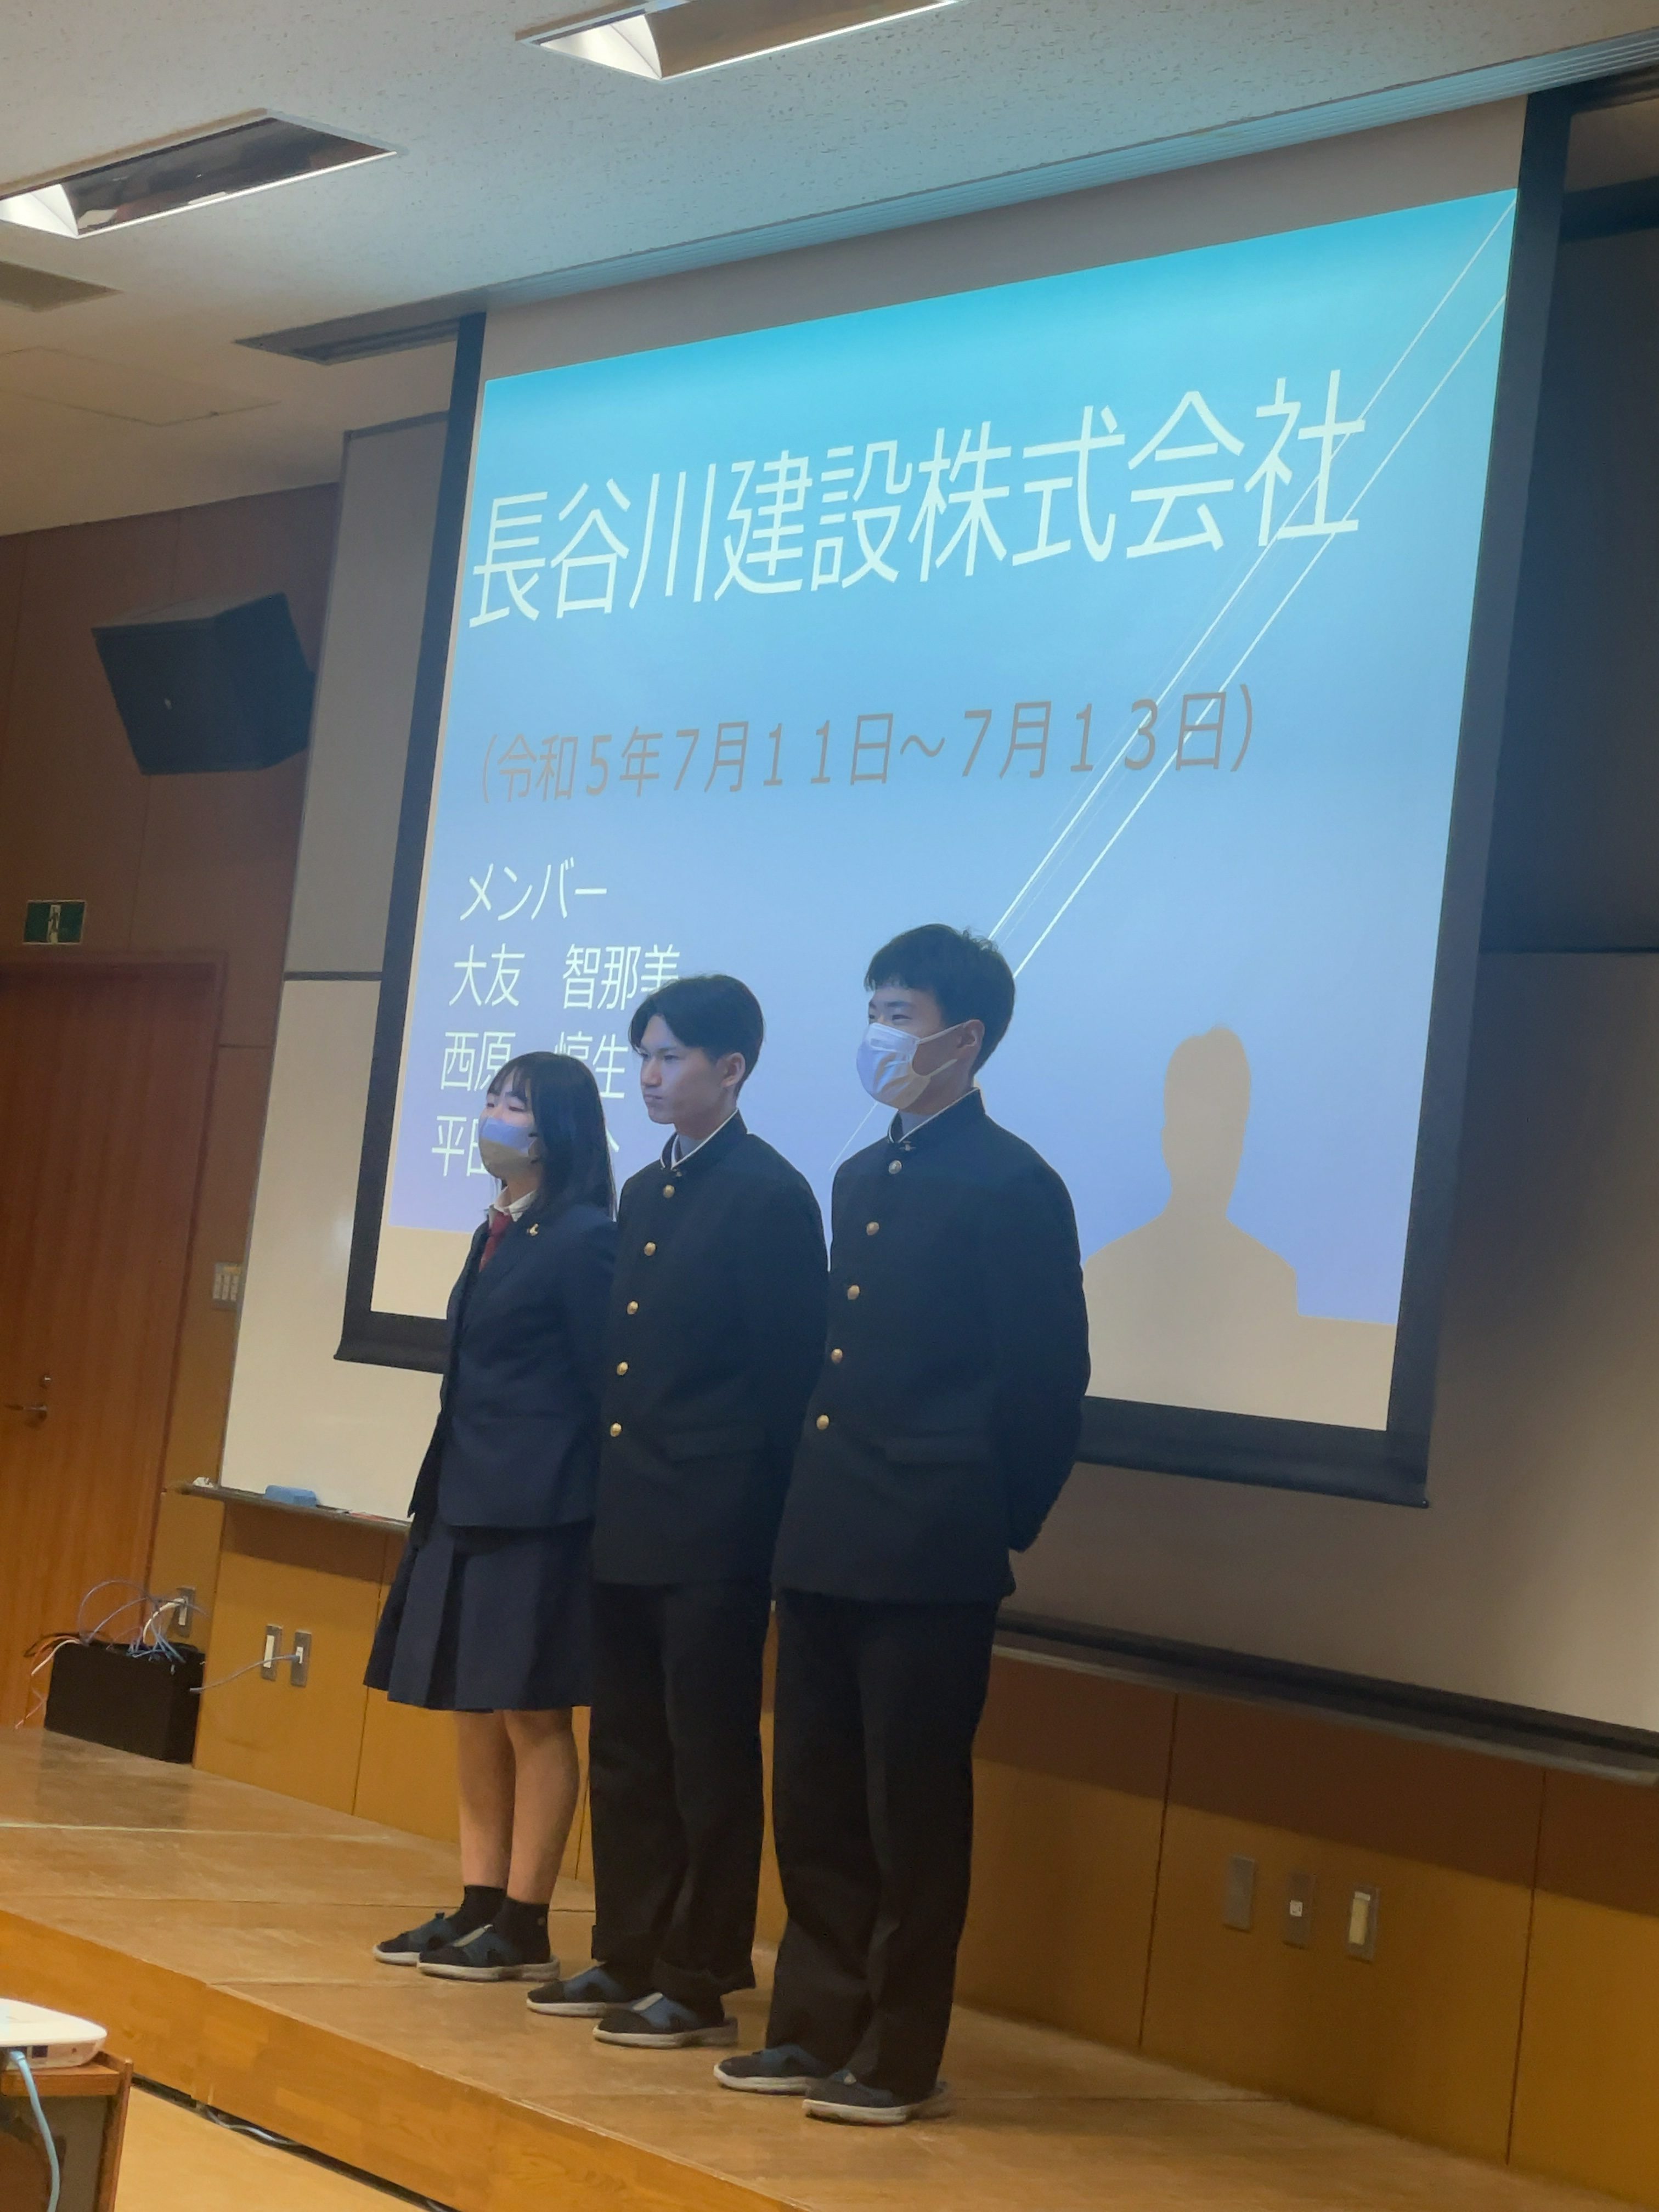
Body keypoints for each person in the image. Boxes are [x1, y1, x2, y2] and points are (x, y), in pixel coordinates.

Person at [716, 924, 1089, 2124]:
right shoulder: (861, 1175)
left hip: (933, 1547)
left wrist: (989, 1519)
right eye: (872, 1009)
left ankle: (897, 2053)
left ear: (963, 1037)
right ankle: (813, 2027)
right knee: (815, 1795)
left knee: (910, 1809)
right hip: (827, 1530)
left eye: (899, 1013)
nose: (877, 1034)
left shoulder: (1014, 1184)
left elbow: (1046, 1384)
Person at [528, 975, 827, 2048]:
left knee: (707, 1757)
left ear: (730, 1068)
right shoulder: (649, 1191)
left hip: (716, 1525)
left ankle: (698, 1976)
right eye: (643, 1056)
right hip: (630, 1512)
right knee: (627, 1749)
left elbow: (789, 1382)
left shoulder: (771, 1194)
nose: (649, 1076)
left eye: (670, 1057)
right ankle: (627, 1950)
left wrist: (769, 1532)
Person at [367, 1052, 616, 1983]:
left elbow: (601, 1386)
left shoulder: (585, 1237)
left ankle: (526, 1920)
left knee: (532, 1711)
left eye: (515, 1103)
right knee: (471, 1705)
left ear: (557, 1129)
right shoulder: (497, 1227)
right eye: (492, 1098)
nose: (495, 1115)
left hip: (539, 1507)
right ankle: (478, 1901)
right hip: (463, 1492)